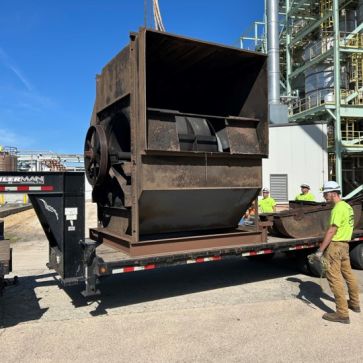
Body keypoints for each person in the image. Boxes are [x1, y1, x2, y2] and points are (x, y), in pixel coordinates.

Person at [313, 181, 361, 324]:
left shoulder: (338, 209)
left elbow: (332, 230)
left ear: (333, 193)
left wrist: (320, 250)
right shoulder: (348, 207)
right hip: (345, 245)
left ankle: (342, 313)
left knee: (334, 278)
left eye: (325, 193)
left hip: (335, 246)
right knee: (348, 275)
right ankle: (354, 303)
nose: (324, 196)